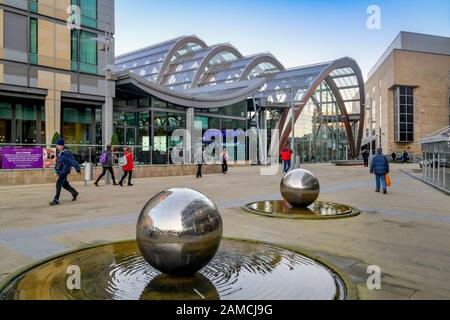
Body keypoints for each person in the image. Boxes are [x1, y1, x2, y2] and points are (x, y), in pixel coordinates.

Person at [49, 139, 81, 206]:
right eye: (57, 145)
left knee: (58, 184)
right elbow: (59, 158)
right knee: (65, 184)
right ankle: (74, 193)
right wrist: (53, 156)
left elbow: (73, 161)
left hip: (64, 171)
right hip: (60, 170)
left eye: (59, 145)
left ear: (62, 145)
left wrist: (78, 169)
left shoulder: (66, 152)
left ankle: (56, 199)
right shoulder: (59, 151)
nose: (57, 146)